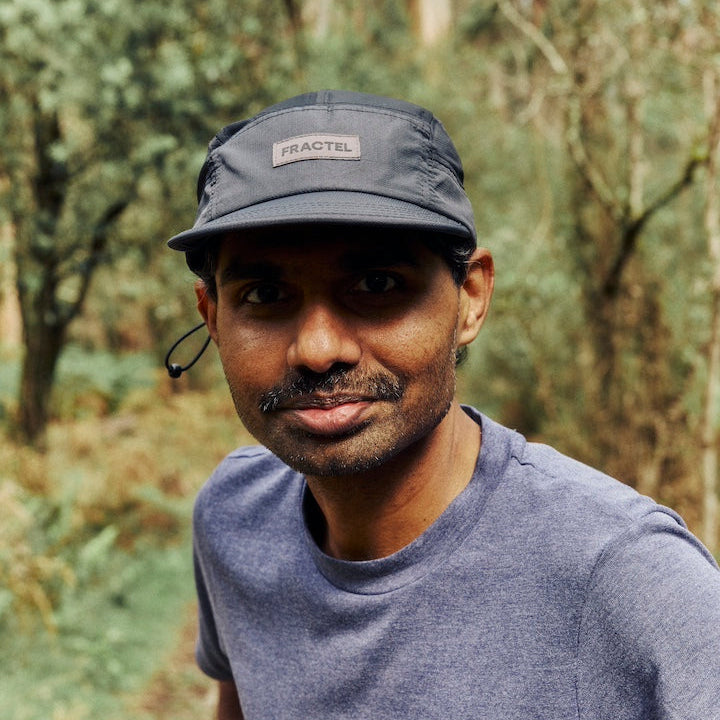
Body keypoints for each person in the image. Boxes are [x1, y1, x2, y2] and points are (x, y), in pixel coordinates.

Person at [167, 90, 720, 719]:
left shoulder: (630, 579)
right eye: (265, 295)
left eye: (377, 284)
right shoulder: (233, 518)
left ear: (470, 300)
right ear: (213, 317)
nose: (318, 350)